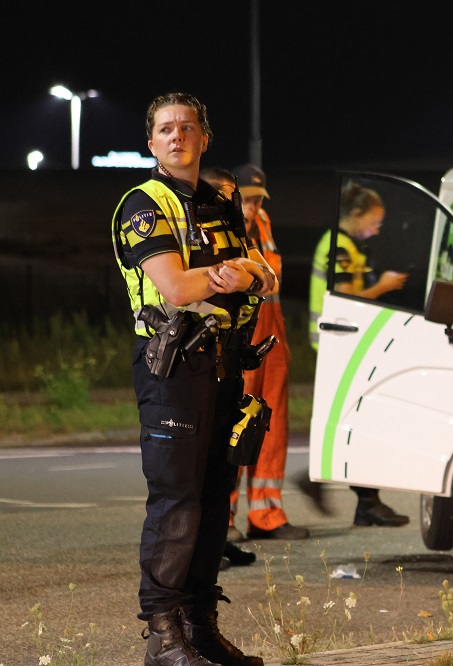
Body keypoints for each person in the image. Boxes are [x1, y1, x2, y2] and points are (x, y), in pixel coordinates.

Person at [111, 92, 273, 666]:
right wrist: (232, 277)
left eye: (187, 127)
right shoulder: (142, 205)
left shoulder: (222, 202)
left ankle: (201, 630)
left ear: (205, 137)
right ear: (151, 143)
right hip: (172, 368)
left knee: (212, 501)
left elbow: (267, 277)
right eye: (165, 129)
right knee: (176, 503)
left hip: (225, 364)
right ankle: (163, 636)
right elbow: (175, 289)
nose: (177, 136)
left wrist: (241, 275)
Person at [302, 182, 410, 527]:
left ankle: (367, 501)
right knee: (355, 422)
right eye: (374, 222)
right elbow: (349, 298)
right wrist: (385, 285)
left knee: (357, 422)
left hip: (345, 343)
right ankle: (327, 485)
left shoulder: (349, 246)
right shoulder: (340, 249)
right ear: (356, 214)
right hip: (338, 344)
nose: (376, 229)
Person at [222, 163, 308, 541]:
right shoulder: (222, 224)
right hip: (239, 339)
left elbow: (270, 277)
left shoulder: (263, 222)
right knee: (233, 426)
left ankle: (266, 513)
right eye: (249, 198)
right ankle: (222, 519)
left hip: (271, 339)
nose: (255, 206)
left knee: (270, 428)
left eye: (259, 199)